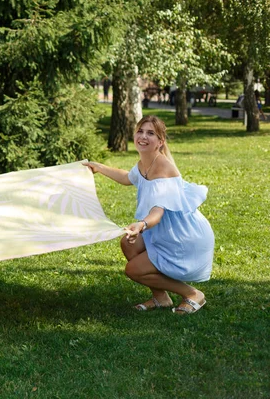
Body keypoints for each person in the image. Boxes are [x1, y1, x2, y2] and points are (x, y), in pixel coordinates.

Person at [83, 115, 214, 314]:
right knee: (128, 243)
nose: (143, 136)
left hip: (181, 235)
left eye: (150, 133)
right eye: (140, 131)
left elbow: (157, 211)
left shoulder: (163, 168)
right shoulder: (145, 162)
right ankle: (161, 298)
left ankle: (193, 294)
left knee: (133, 270)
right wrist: (99, 167)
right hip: (165, 230)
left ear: (160, 142)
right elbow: (128, 177)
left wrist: (141, 225)